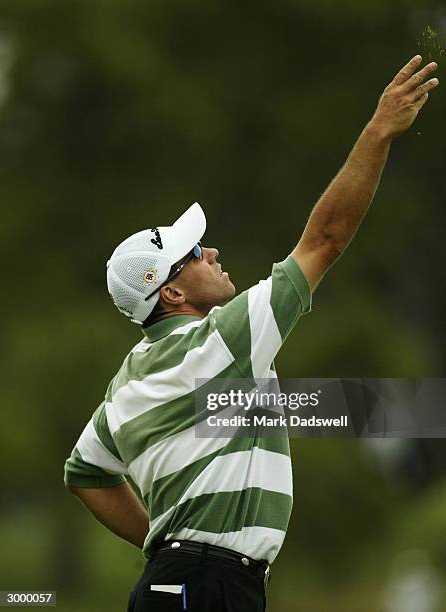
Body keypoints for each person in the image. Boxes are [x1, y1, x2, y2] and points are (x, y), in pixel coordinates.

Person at [64, 56, 439, 612]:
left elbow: (85, 473)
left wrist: (159, 543)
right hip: (205, 586)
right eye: (194, 254)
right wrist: (379, 129)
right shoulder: (222, 341)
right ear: (171, 293)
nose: (212, 252)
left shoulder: (125, 383)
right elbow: (326, 239)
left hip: (185, 584)